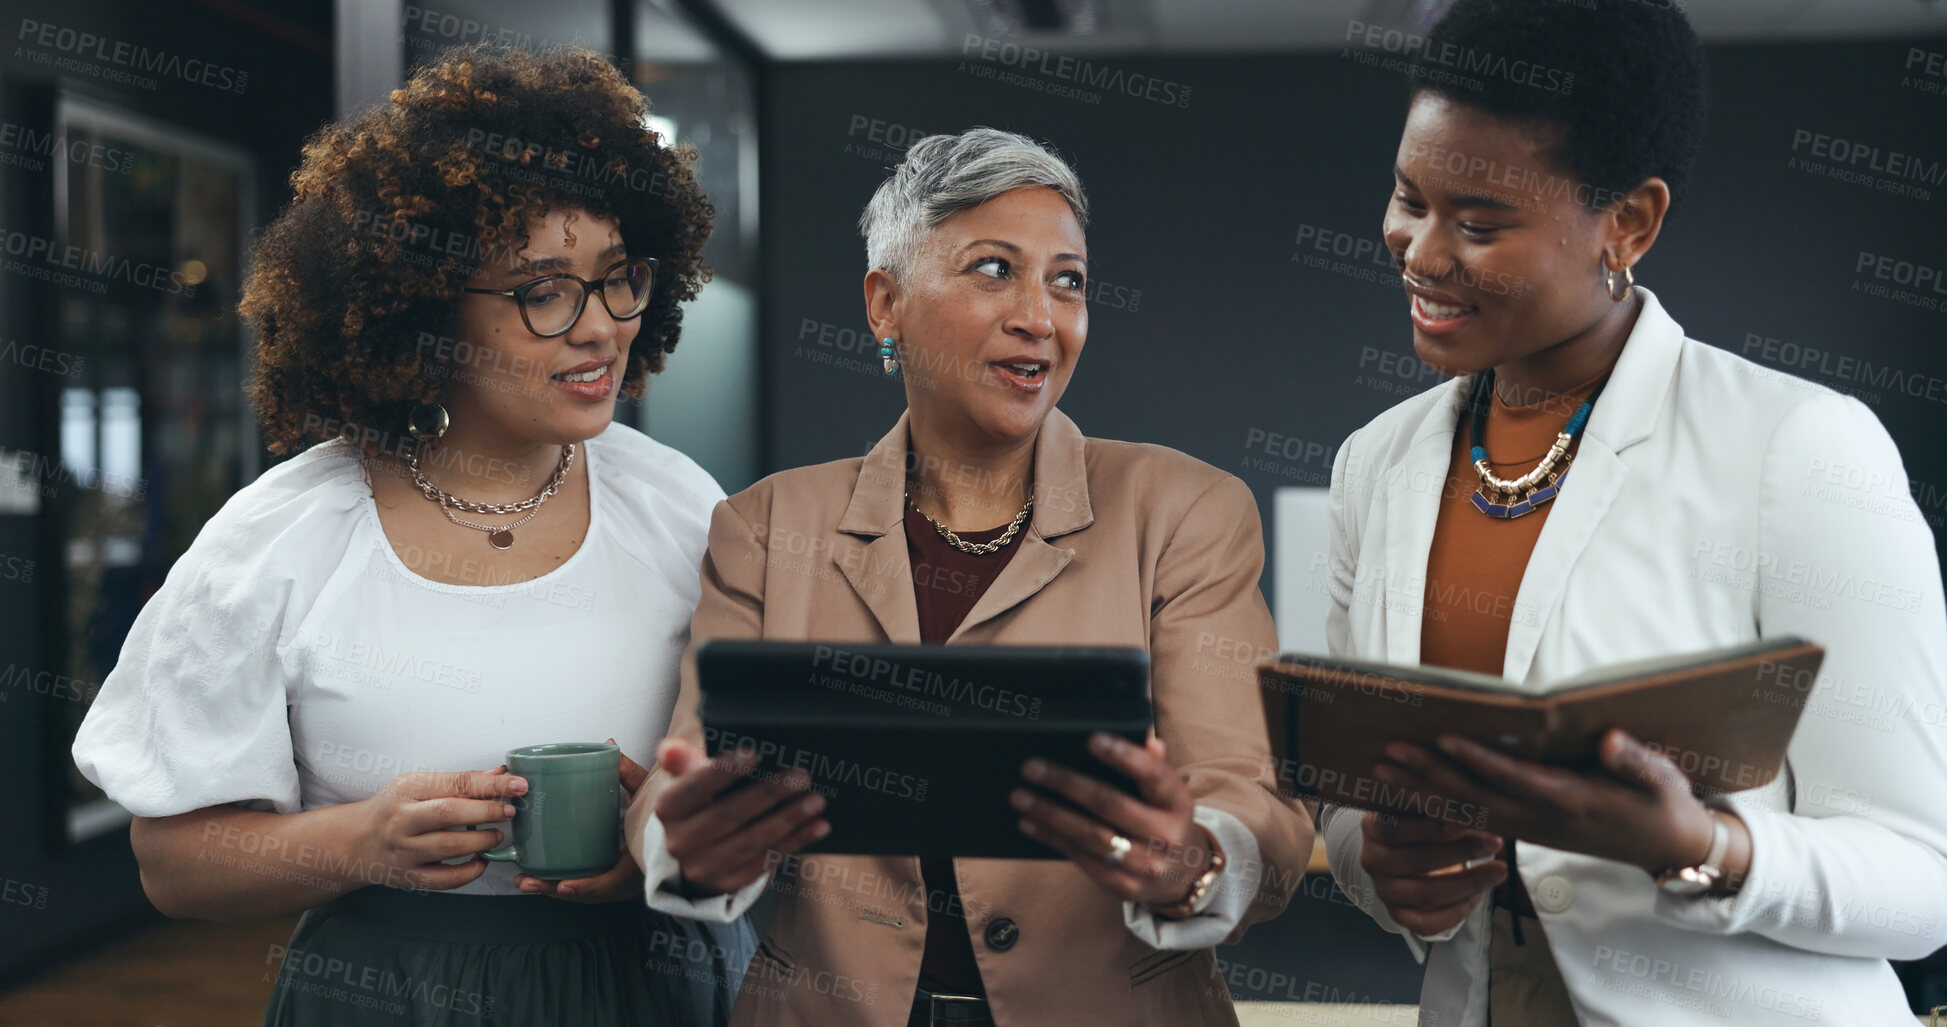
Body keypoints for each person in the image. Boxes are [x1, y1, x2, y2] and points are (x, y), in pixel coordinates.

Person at [71, 43, 752, 1025]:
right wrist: (361, 841)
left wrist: (663, 837)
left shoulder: (682, 505)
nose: (603, 326)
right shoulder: (280, 537)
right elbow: (172, 864)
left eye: (621, 276)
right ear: (418, 311)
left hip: (655, 985)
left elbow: (742, 776)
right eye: (544, 290)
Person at [1320, 2, 1947, 1024]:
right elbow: (1357, 812)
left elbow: (1926, 876)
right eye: (1407, 198)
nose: (1421, 252)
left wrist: (1699, 850)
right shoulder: (1376, 465)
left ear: (1630, 223)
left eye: (1479, 223)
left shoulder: (1802, 448)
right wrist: (1377, 858)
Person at [620, 127, 1314, 1027]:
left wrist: (1198, 859)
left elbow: (1249, 791)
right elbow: (683, 784)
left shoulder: (1184, 510)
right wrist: (688, 843)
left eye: (1067, 280)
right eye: (994, 270)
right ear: (884, 303)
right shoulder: (764, 525)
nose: (1041, 315)